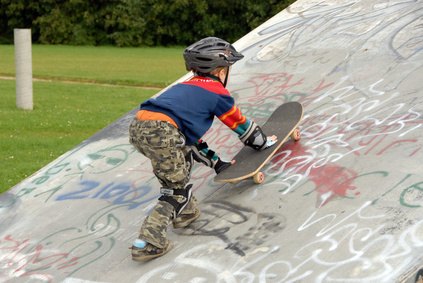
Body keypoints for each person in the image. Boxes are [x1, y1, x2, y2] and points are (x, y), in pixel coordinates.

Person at [129, 37, 277, 261]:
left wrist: (218, 164)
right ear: (219, 71)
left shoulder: (184, 88)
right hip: (163, 131)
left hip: (140, 126)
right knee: (174, 190)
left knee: (177, 162)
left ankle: (185, 213)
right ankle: (148, 243)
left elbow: (189, 143)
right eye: (227, 69)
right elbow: (240, 125)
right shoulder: (216, 91)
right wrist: (262, 142)